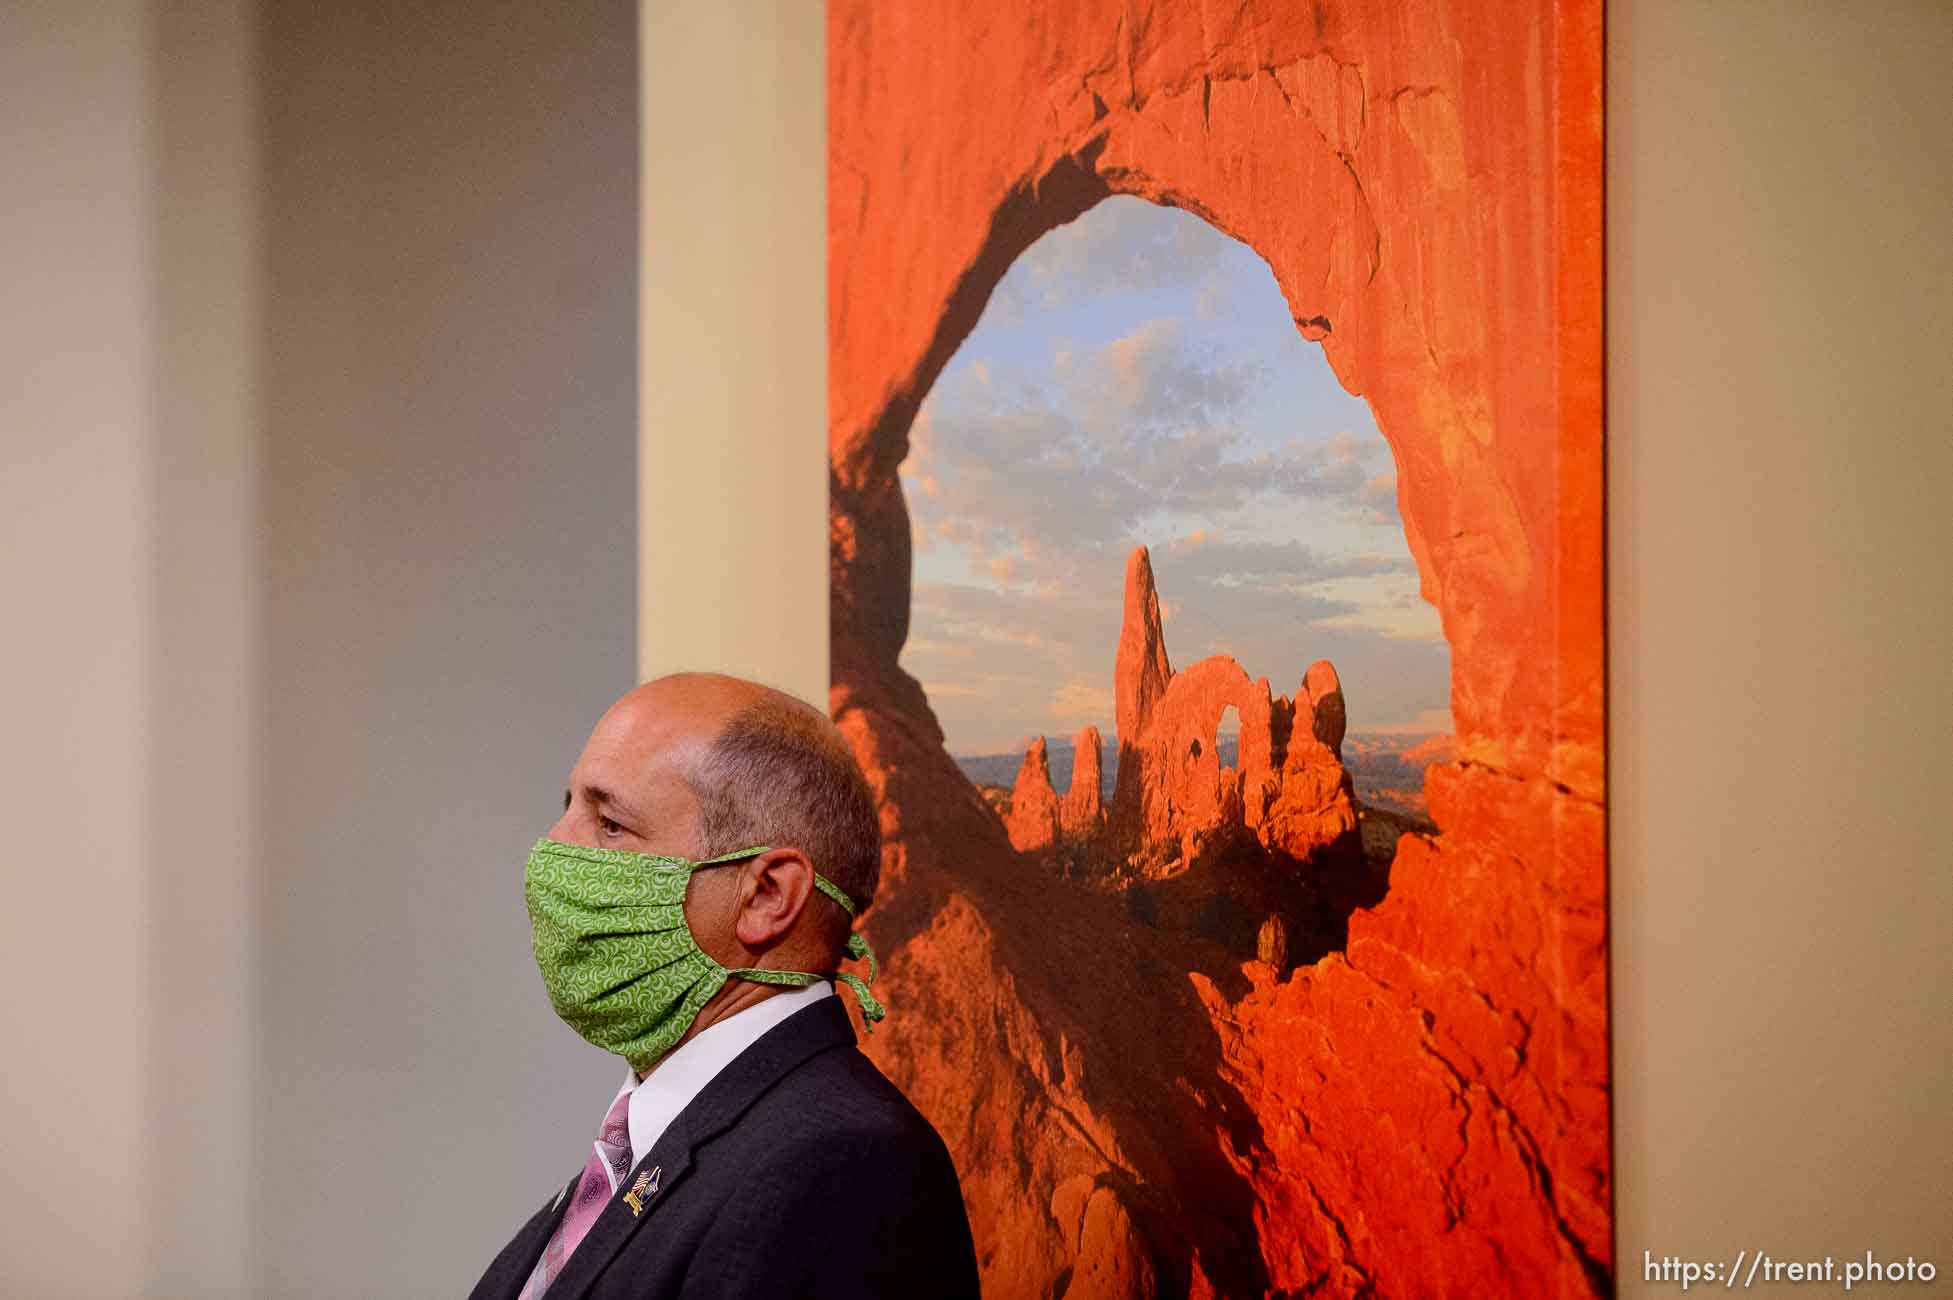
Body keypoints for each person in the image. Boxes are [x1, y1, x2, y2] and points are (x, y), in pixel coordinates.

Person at [468, 673, 979, 1300]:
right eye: (567, 806)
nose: (552, 848)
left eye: (609, 825)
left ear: (767, 895)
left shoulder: (842, 1164)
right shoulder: (649, 1145)